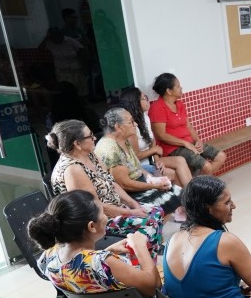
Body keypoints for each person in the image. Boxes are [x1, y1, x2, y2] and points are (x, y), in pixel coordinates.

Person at [28, 190, 161, 298]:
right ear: (91, 226)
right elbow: (153, 286)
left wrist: (107, 251)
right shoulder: (106, 263)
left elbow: (79, 268)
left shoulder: (48, 257)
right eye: (102, 212)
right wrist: (140, 247)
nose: (106, 216)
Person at [47, 119, 164, 257]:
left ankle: (148, 254)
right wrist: (131, 213)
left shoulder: (90, 155)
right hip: (94, 222)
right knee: (149, 223)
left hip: (113, 208)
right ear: (77, 144)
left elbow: (111, 183)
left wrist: (133, 204)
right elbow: (95, 207)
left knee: (157, 211)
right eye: (90, 136)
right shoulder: (73, 169)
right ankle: (144, 266)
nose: (94, 138)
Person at [94, 107, 184, 219]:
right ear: (118, 127)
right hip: (130, 194)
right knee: (170, 197)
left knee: (177, 192)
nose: (135, 124)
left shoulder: (123, 140)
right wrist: (153, 185)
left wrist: (150, 177)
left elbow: (136, 167)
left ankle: (159, 229)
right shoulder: (110, 149)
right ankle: (155, 231)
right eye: (131, 121)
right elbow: (124, 184)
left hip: (138, 184)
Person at [148, 73, 226, 176]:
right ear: (169, 91)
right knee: (206, 166)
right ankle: (202, 186)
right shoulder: (157, 107)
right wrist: (185, 143)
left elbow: (188, 126)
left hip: (189, 144)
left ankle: (198, 184)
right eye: (178, 86)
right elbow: (161, 135)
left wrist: (197, 140)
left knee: (221, 156)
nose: (181, 88)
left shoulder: (179, 104)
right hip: (173, 149)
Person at [118, 87, 192, 187]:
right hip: (140, 166)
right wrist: (154, 151)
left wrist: (157, 160)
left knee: (180, 160)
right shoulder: (131, 126)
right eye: (144, 98)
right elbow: (136, 156)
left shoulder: (145, 117)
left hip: (151, 160)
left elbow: (152, 141)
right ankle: (185, 197)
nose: (147, 100)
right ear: (135, 103)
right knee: (173, 173)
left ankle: (192, 194)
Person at [39, 26, 88, 98]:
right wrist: (45, 39)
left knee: (79, 90)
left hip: (75, 69)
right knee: (66, 90)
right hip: (61, 71)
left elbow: (81, 51)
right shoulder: (50, 43)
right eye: (53, 38)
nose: (56, 40)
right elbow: (40, 50)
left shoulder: (70, 41)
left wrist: (84, 65)